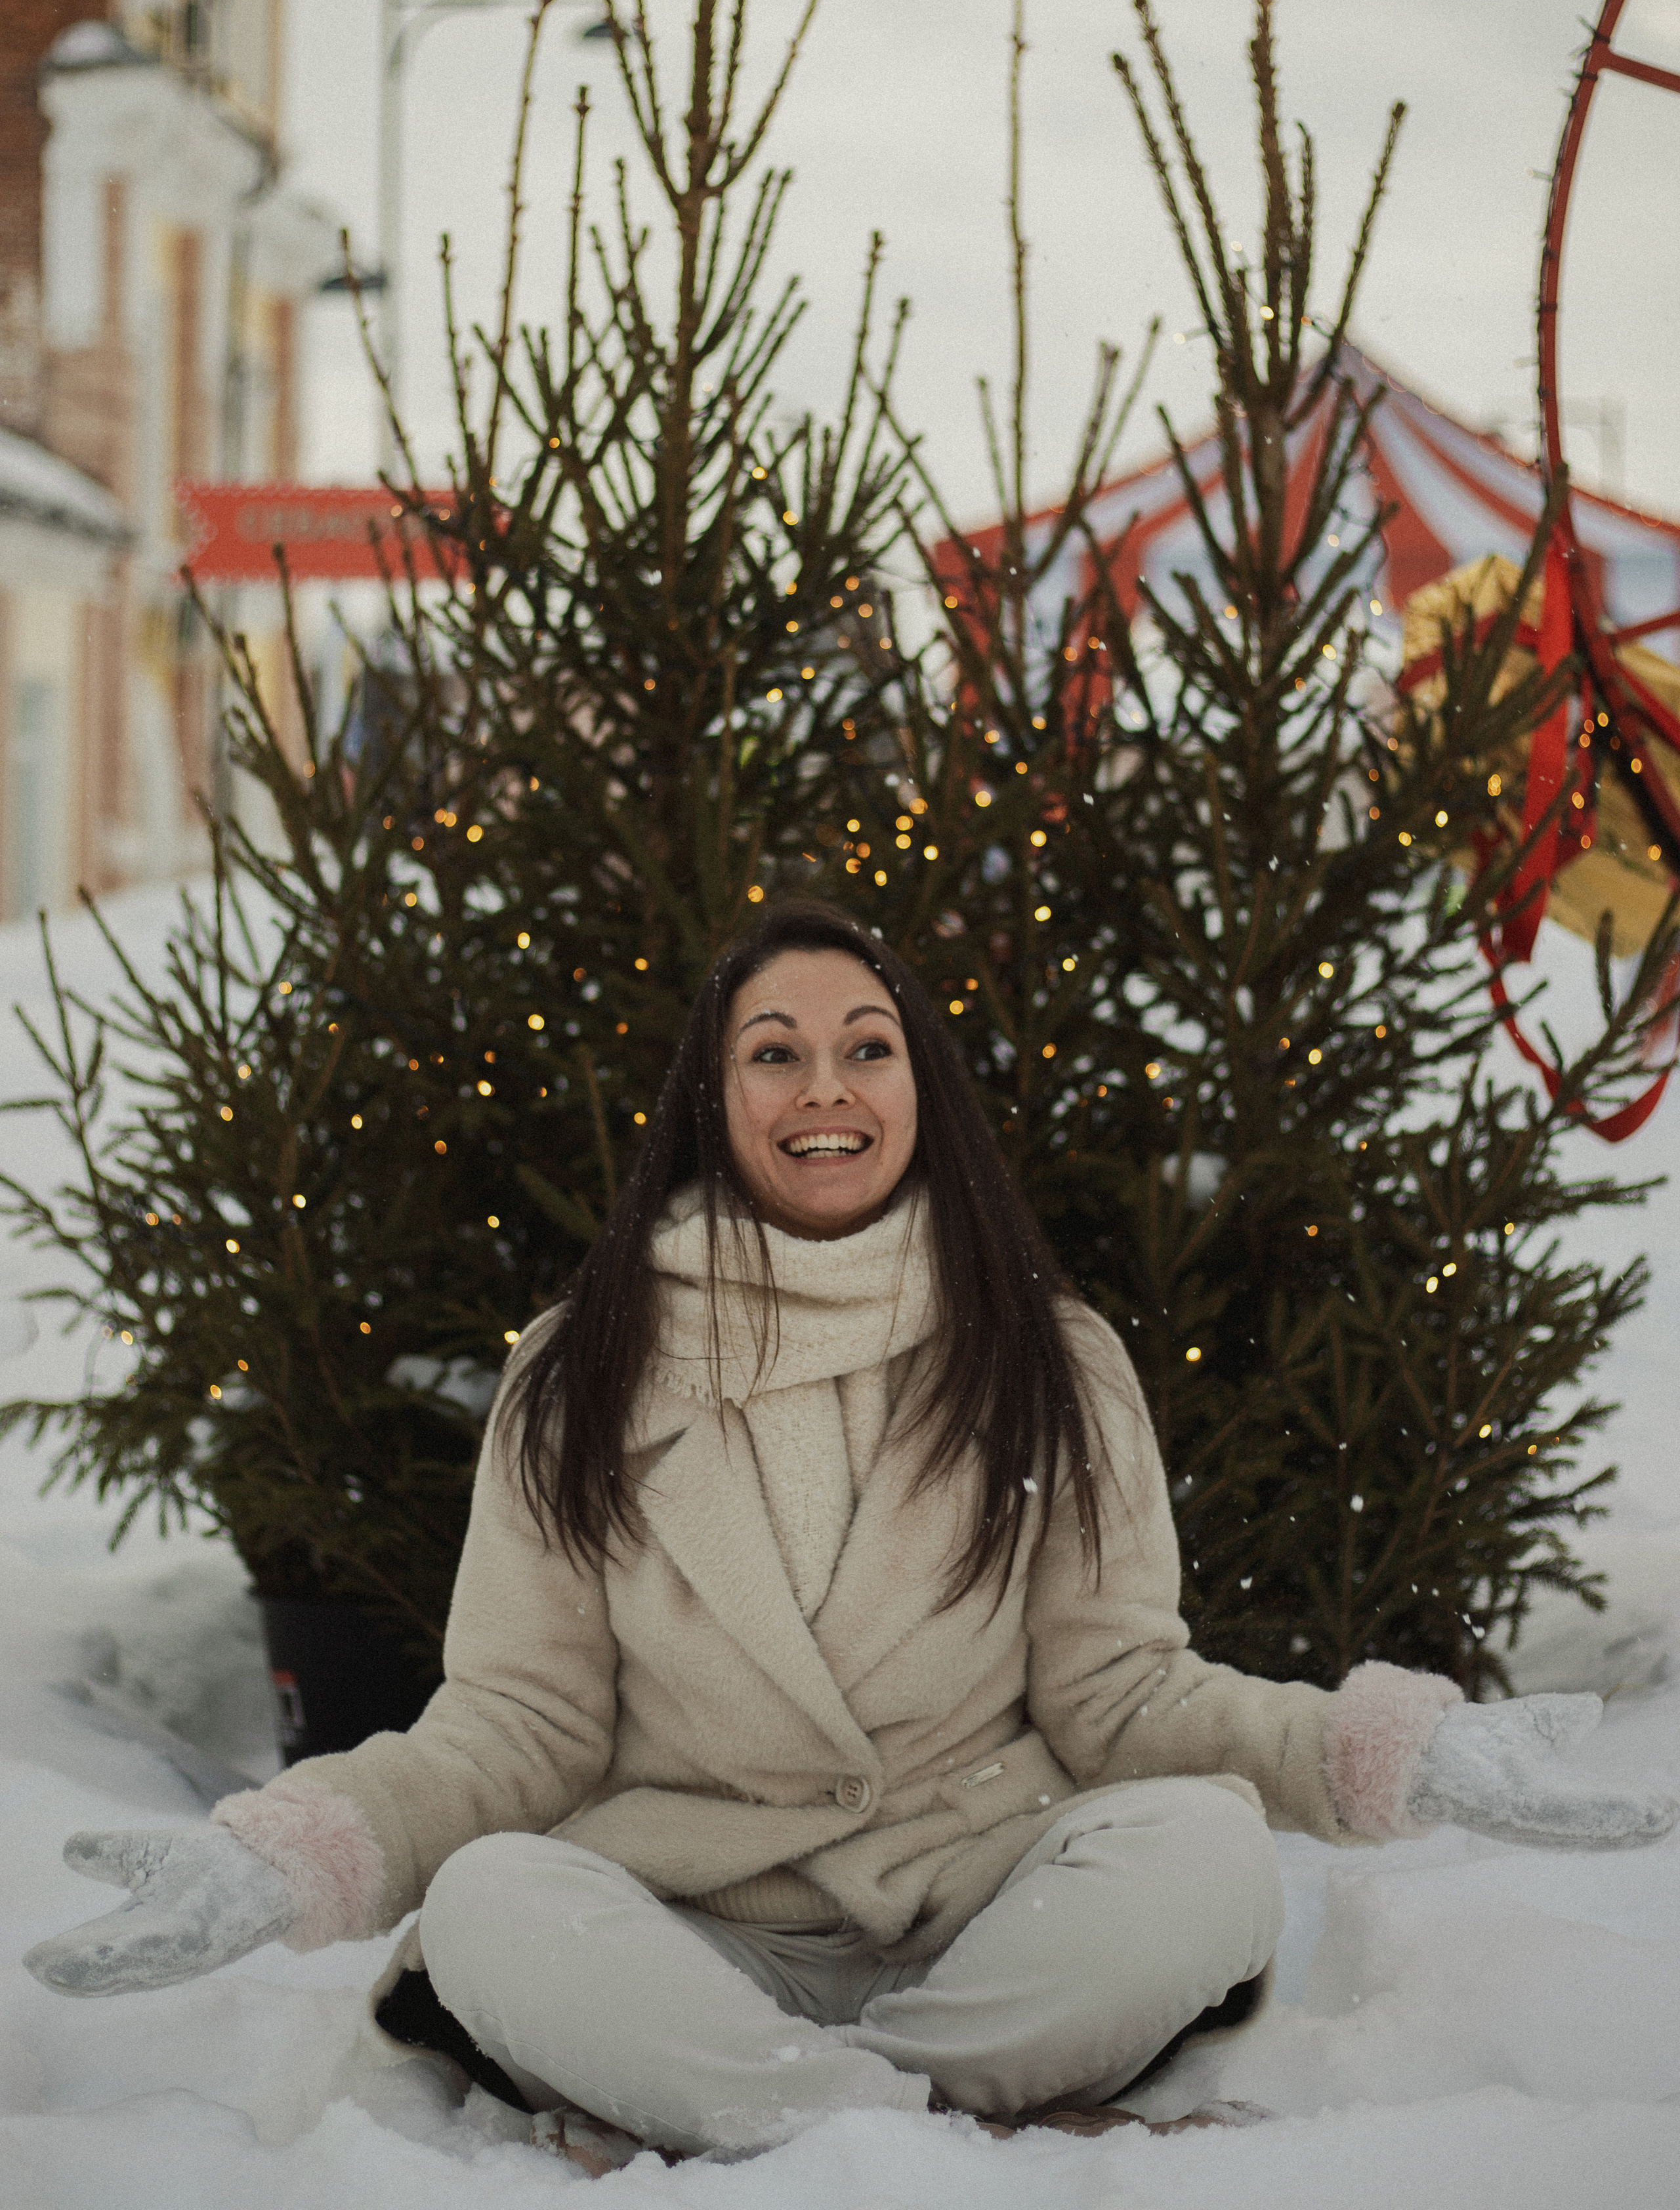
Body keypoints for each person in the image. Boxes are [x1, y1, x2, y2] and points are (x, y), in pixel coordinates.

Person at [25, 900, 1676, 2161]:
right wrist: (278, 1857)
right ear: (716, 1095)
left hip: (984, 1913)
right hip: (684, 1930)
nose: (825, 1085)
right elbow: (514, 1729)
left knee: (1206, 1850)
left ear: (916, 1083)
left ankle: (794, 2132)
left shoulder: (1051, 1353)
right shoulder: (577, 1368)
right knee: (489, 1907)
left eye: (865, 1044)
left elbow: (1129, 1705)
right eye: (775, 1050)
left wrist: (1398, 1756)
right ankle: (917, 2139)